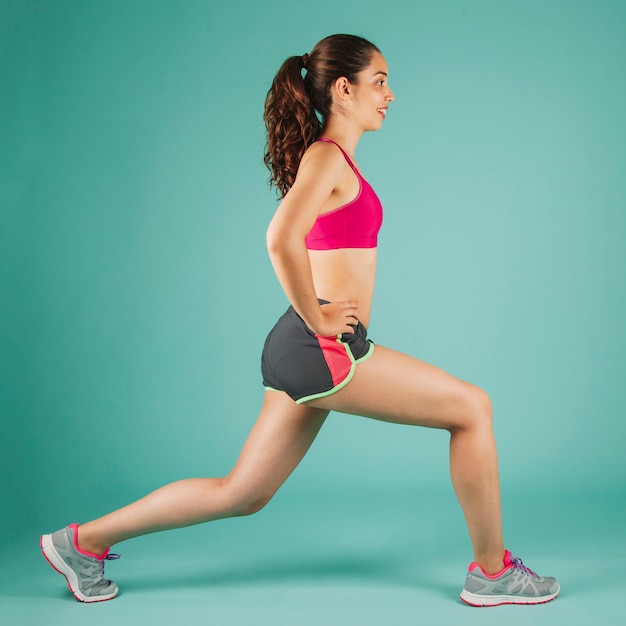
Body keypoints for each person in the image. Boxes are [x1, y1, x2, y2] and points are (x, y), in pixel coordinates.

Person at [40, 34, 559, 607]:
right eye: (380, 81)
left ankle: (81, 543)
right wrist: (319, 318)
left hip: (299, 346)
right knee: (472, 408)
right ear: (344, 88)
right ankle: (492, 572)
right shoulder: (326, 158)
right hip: (319, 346)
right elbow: (279, 237)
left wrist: (314, 322)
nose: (390, 94)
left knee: (241, 493)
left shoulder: (334, 159)